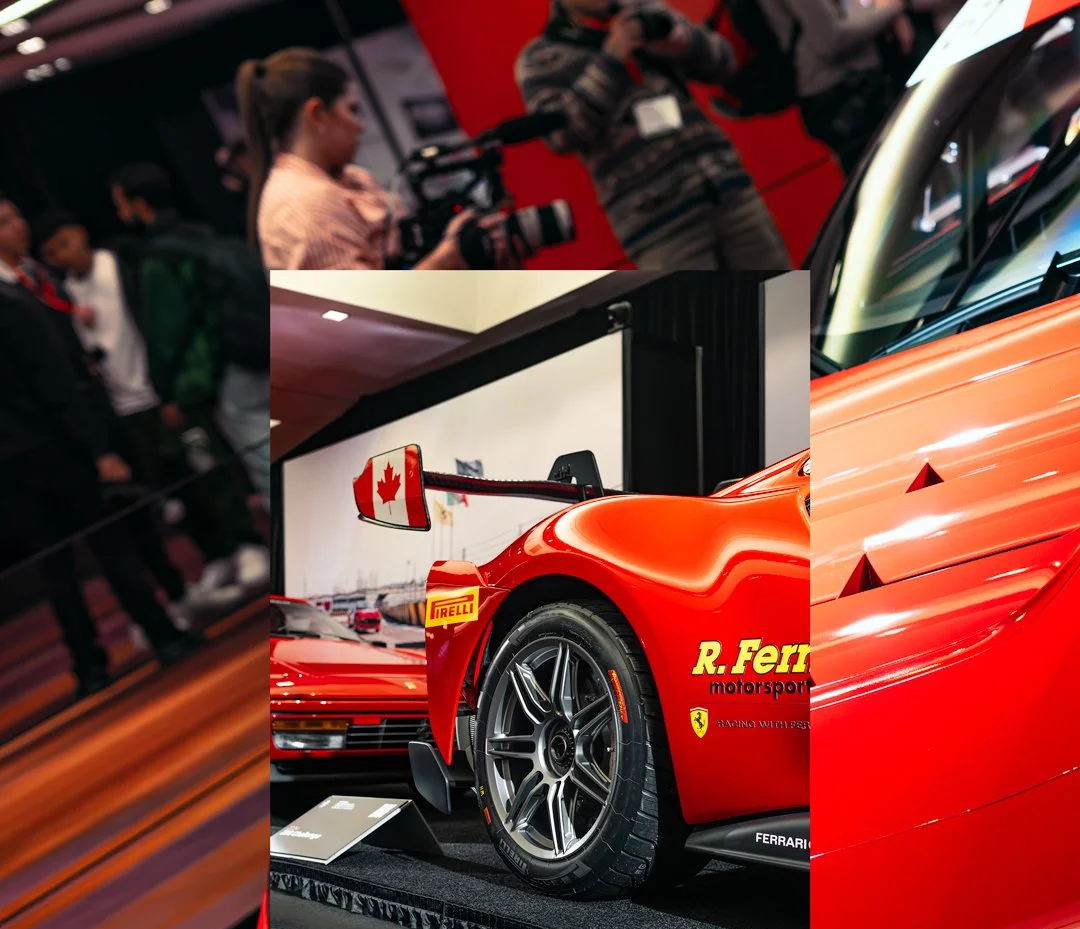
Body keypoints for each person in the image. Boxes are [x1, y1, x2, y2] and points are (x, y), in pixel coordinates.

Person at [32, 209, 245, 611]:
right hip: (124, 409)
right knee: (170, 489)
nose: (62, 255)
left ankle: (245, 543)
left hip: (159, 391)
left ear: (79, 233)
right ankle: (216, 555)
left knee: (207, 468)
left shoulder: (126, 263)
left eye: (64, 242)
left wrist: (172, 389)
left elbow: (162, 326)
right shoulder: (61, 295)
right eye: (51, 252)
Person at [0, 273, 200, 699]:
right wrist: (96, 449)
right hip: (56, 449)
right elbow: (54, 384)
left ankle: (89, 664)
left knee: (55, 569)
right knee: (110, 547)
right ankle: (160, 633)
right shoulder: (13, 305)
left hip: (12, 467)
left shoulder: (16, 301)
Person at [516, 1, 790, 270]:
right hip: (658, 226)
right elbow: (562, 136)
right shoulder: (541, 59)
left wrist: (687, 42)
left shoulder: (644, 11)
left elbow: (725, 62)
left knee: (783, 310)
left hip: (729, 190)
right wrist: (612, 59)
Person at [109, 163, 270, 592]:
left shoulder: (159, 257)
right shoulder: (205, 235)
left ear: (139, 205)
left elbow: (167, 334)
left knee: (266, 464)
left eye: (122, 202)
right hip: (260, 352)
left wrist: (169, 391)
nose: (120, 212)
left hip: (223, 372)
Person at [236, 48, 514, 271]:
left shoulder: (351, 178)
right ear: (317, 114)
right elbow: (363, 322)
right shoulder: (304, 205)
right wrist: (447, 258)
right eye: (352, 110)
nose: (361, 126)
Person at [754, 0, 915, 175]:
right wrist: (890, 10)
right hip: (844, 94)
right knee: (887, 174)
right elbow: (831, 39)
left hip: (846, 89)